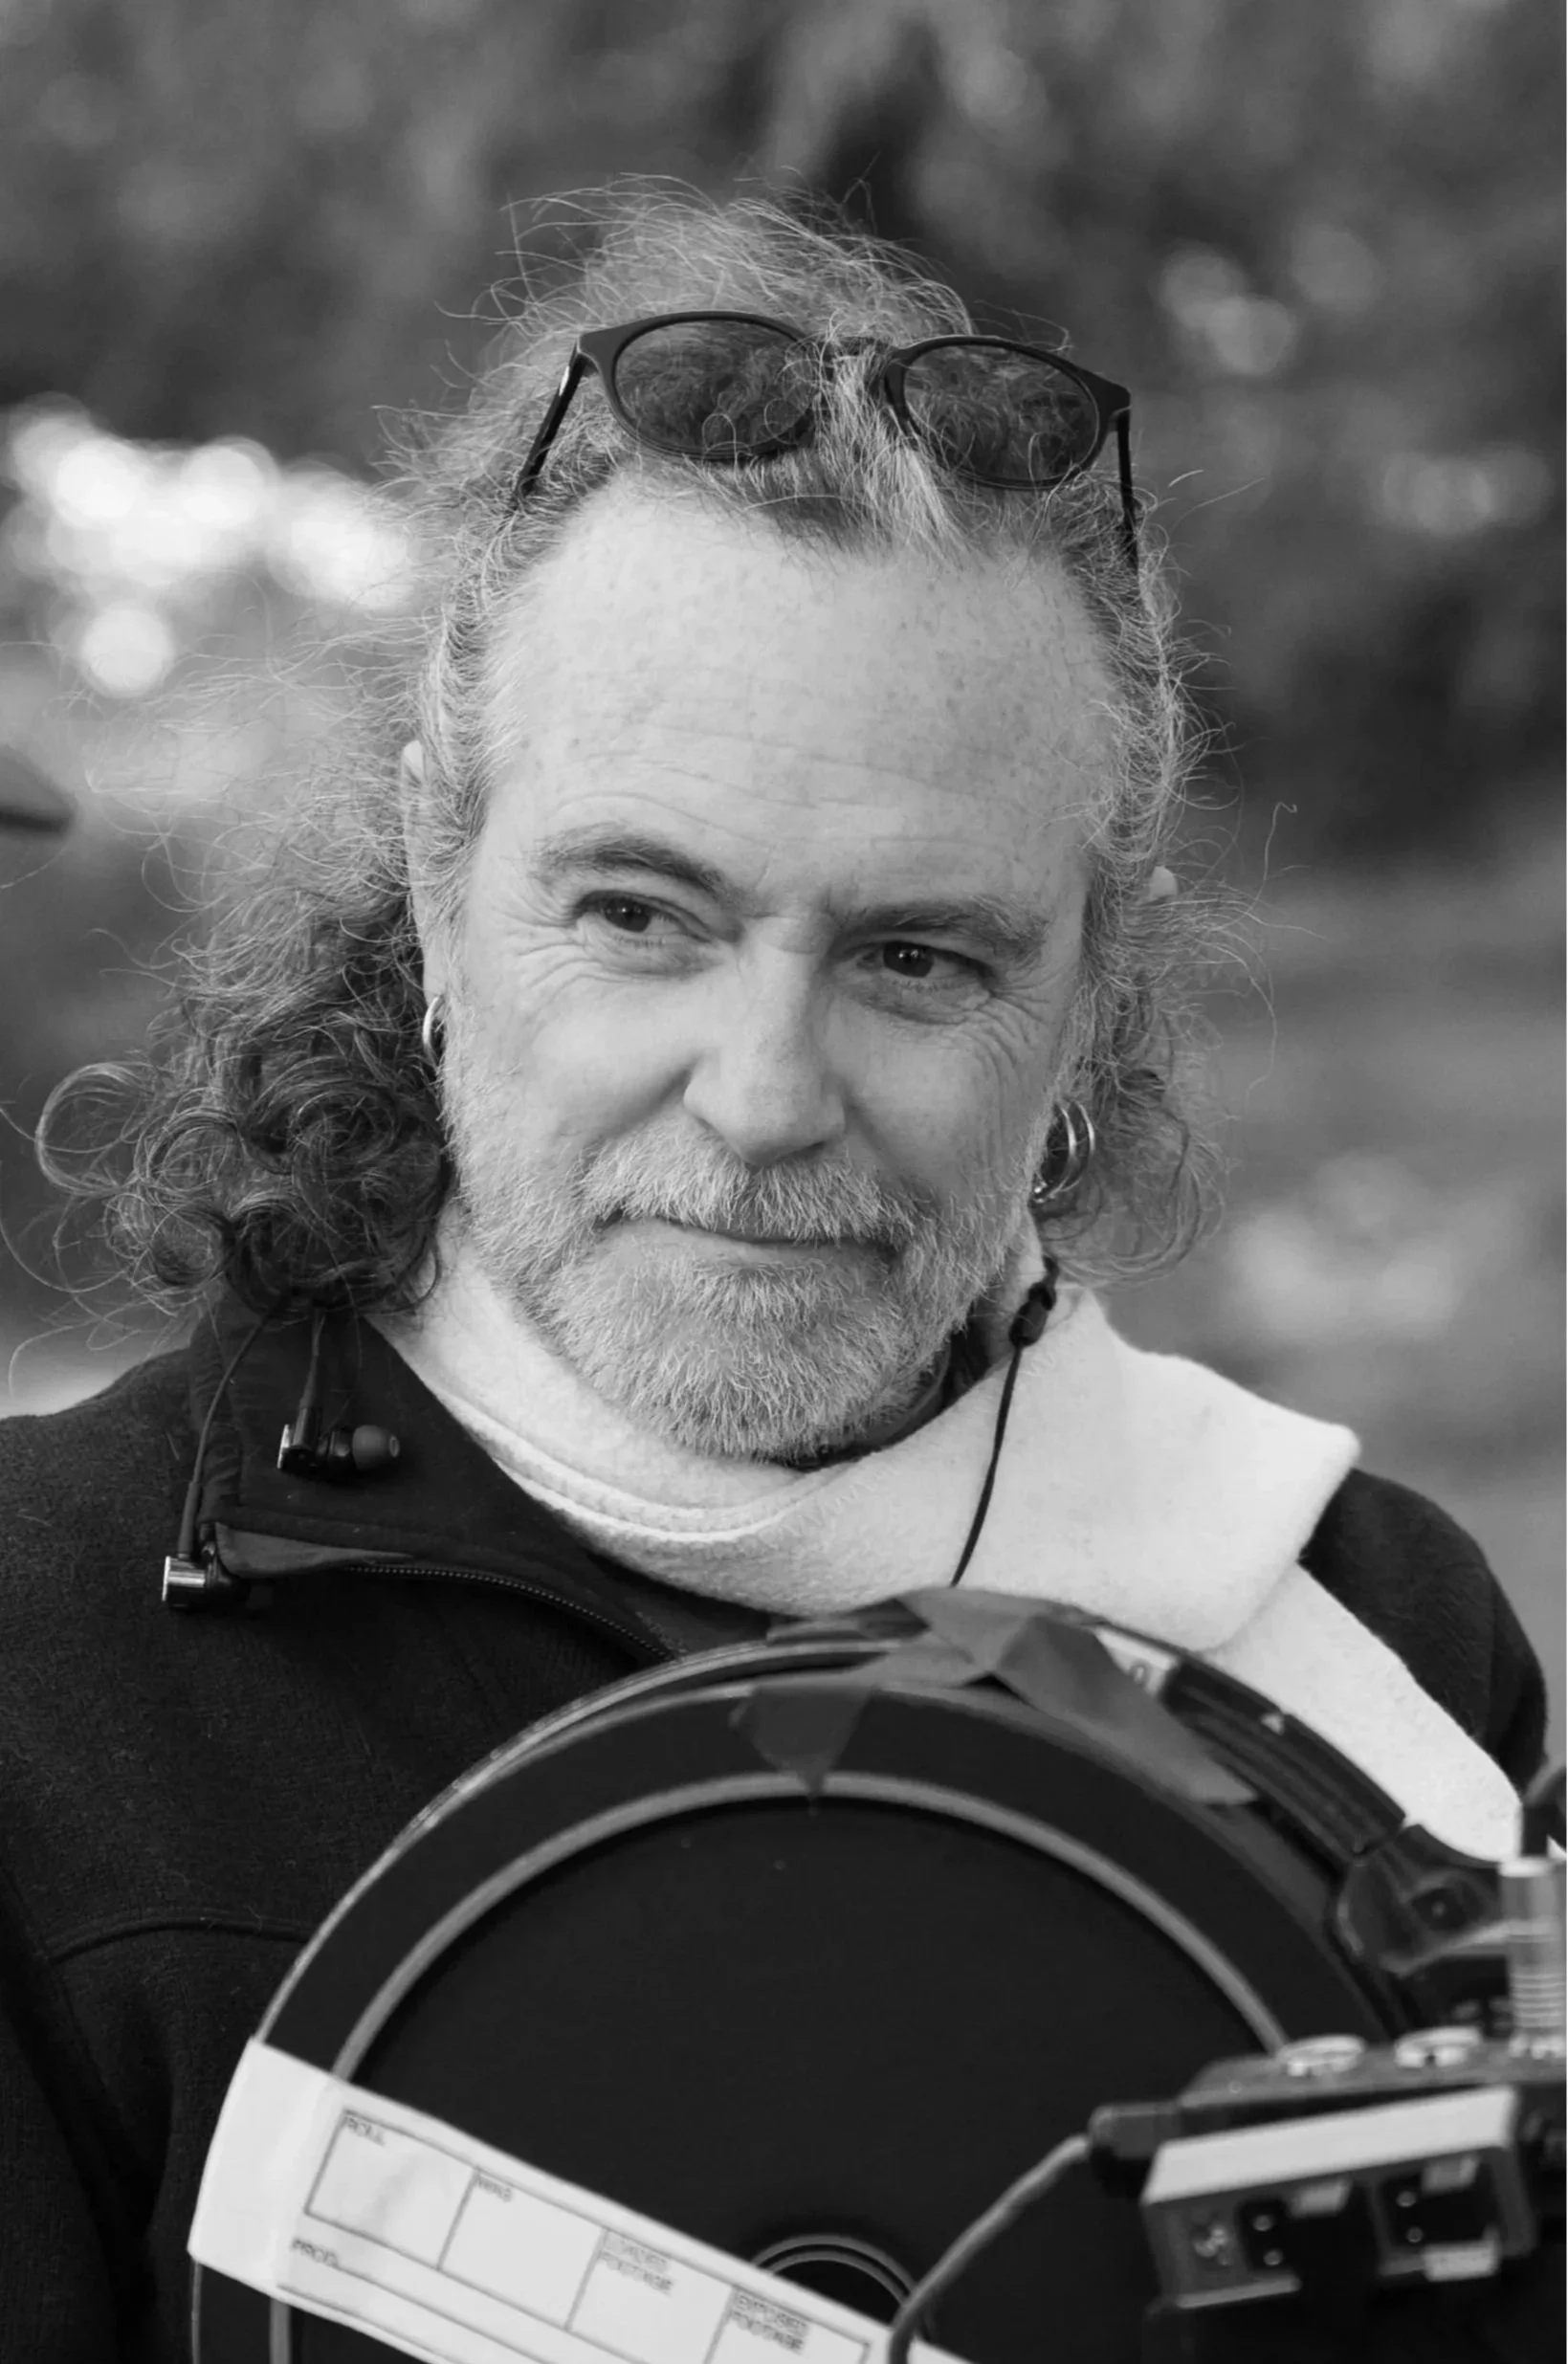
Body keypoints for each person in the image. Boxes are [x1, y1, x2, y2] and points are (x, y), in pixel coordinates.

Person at [0, 190, 1546, 2362]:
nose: (762, 1092)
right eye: (641, 913)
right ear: (439, 894)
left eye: (919, 954)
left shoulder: (1368, 1649)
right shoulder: (48, 1669)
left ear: (1092, 994)